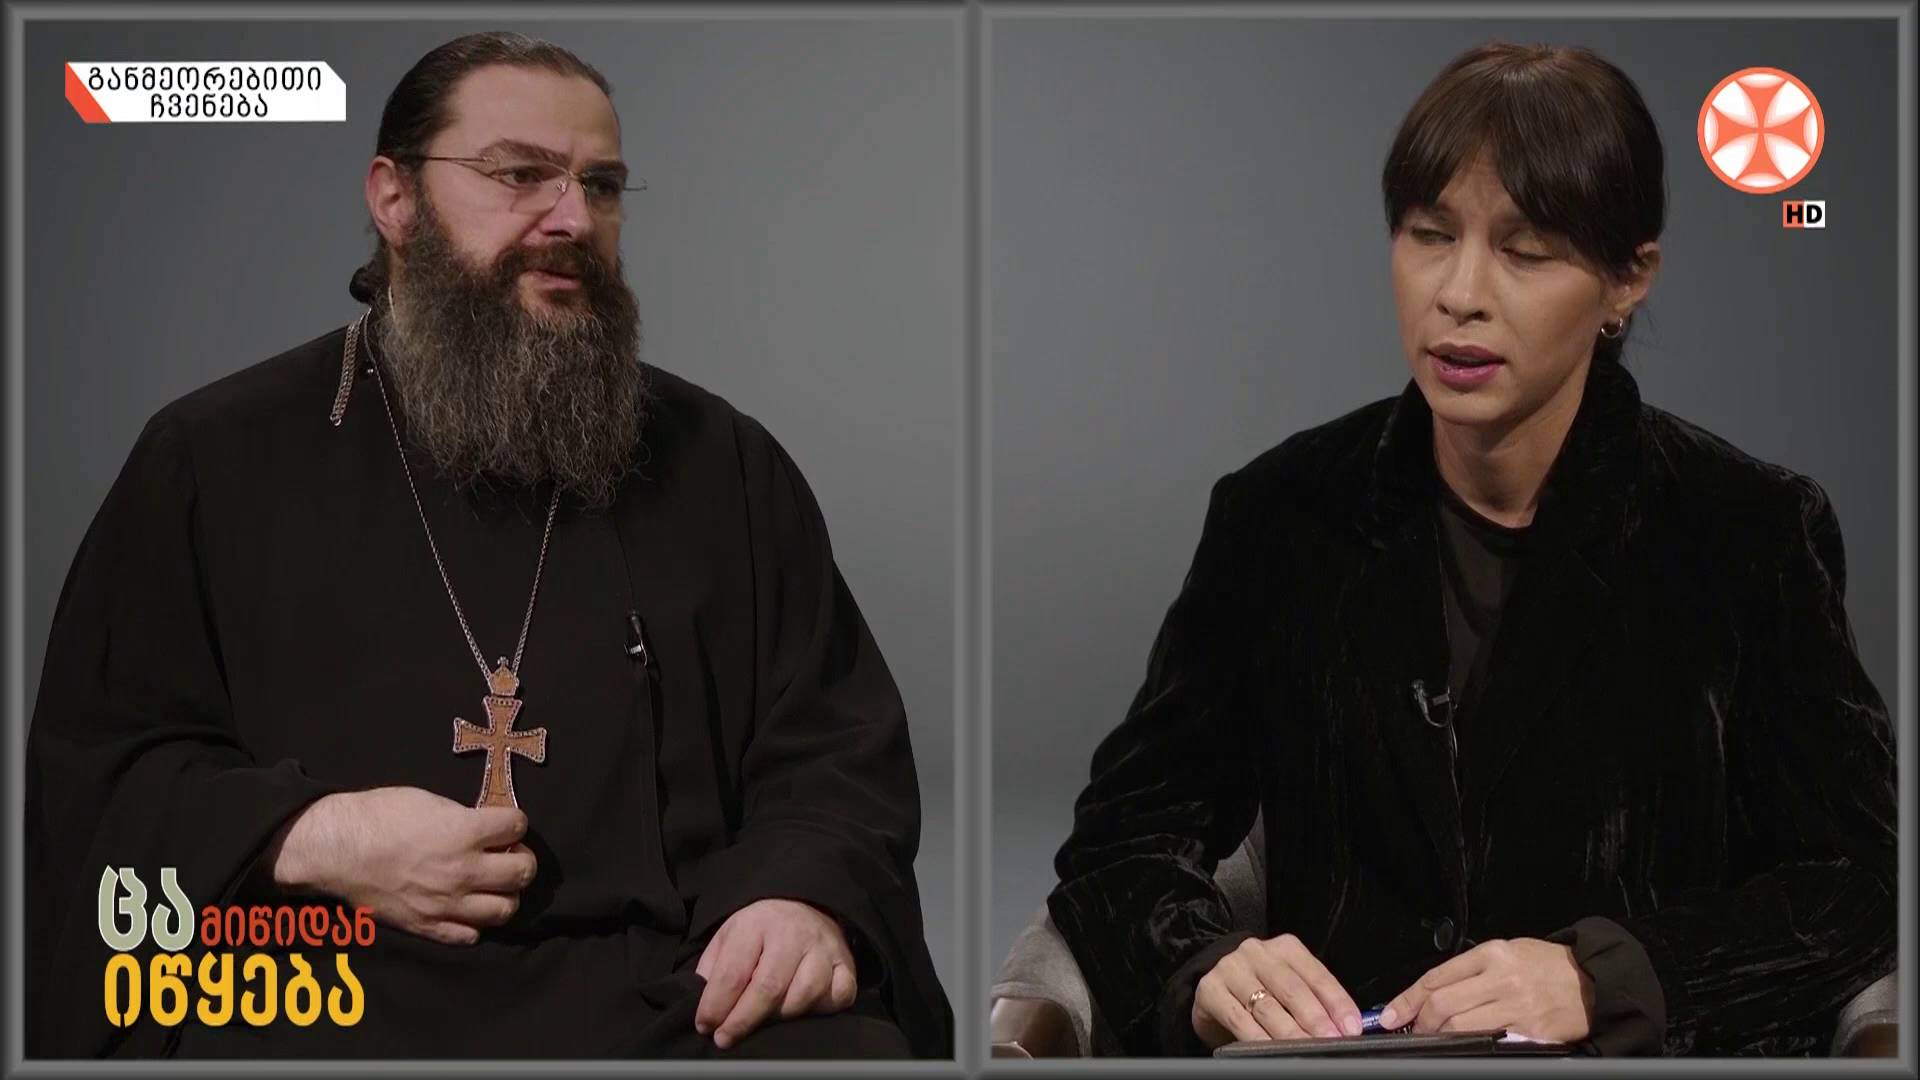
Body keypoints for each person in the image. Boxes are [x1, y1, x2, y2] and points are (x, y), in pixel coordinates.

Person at [26, 31, 951, 1060]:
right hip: (319, 994)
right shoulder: (214, 457)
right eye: (520, 175)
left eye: (600, 186)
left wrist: (798, 894)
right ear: (395, 198)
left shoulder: (720, 462)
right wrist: (311, 836)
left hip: (664, 1003)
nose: (572, 219)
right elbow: (102, 776)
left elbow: (829, 748)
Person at [1047, 42, 1896, 1057]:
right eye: (1429, 235)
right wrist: (1202, 959)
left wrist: (1609, 978)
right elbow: (1121, 840)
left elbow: (1863, 882)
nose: (1459, 293)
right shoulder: (1280, 518)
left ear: (1628, 280)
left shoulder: (1746, 533)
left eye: (1525, 250)